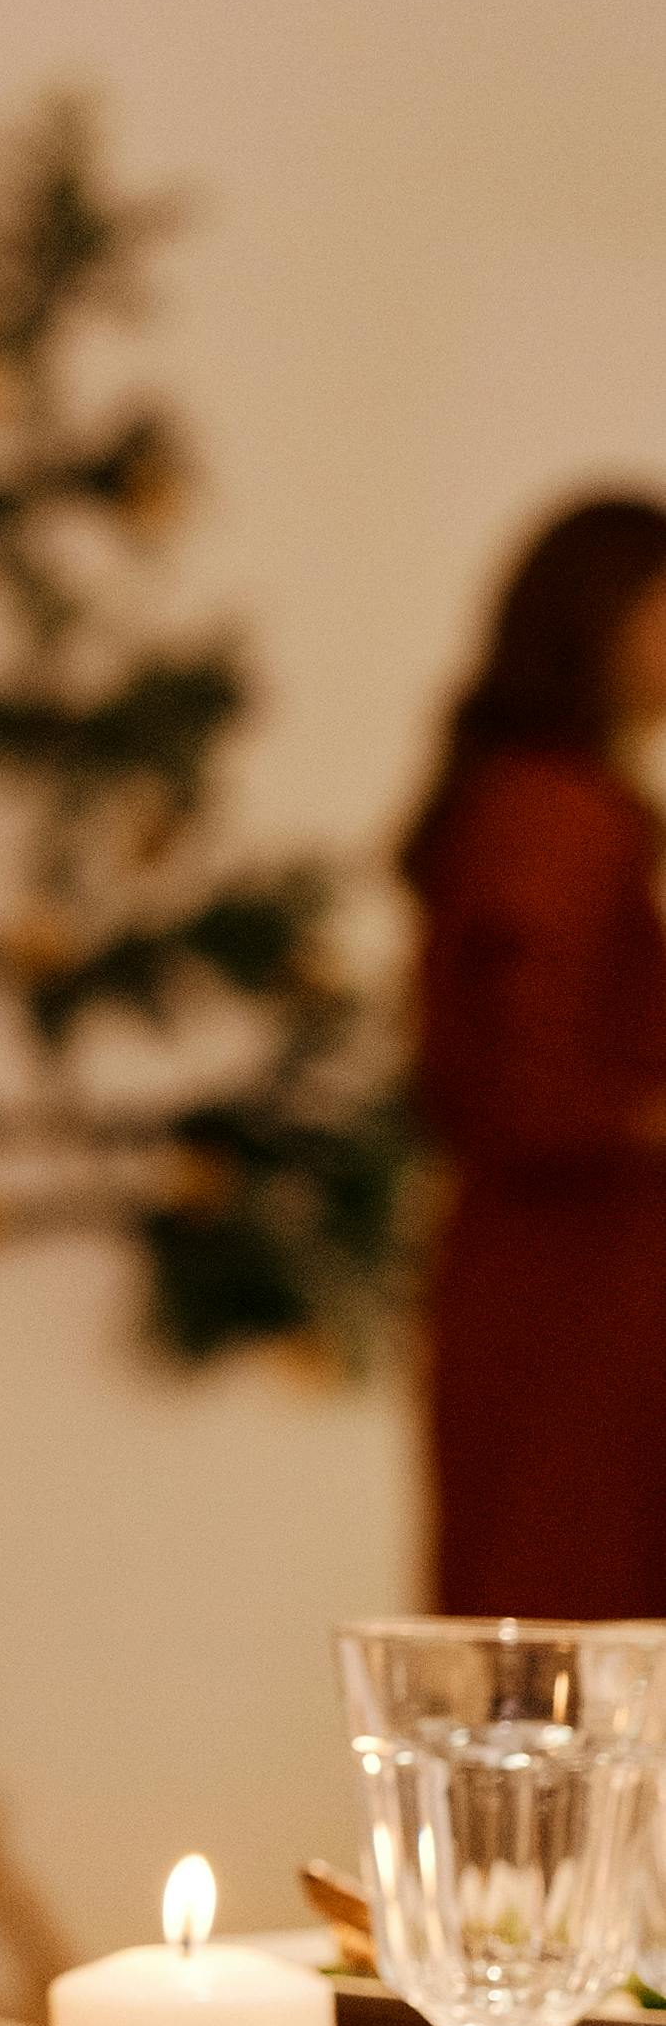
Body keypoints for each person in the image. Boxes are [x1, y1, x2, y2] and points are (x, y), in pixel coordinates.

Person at [398, 493, 666, 1621]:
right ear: (596, 623)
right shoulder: (558, 814)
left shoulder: (533, 802)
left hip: (561, 1271)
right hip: (578, 1287)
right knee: (568, 1633)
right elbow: (531, 1080)